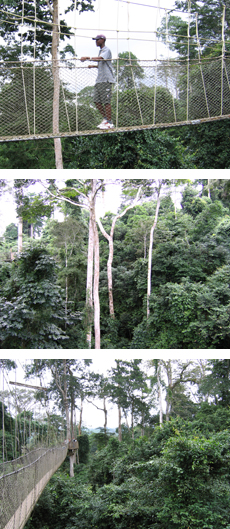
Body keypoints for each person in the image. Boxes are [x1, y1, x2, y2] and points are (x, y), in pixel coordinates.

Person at [80, 35, 115, 130]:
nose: (95, 41)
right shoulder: (101, 51)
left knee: (106, 102)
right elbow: (102, 63)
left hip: (106, 80)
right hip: (99, 80)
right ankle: (105, 119)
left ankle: (109, 122)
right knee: (96, 100)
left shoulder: (106, 50)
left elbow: (100, 59)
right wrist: (94, 66)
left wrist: (88, 58)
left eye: (97, 40)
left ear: (102, 40)